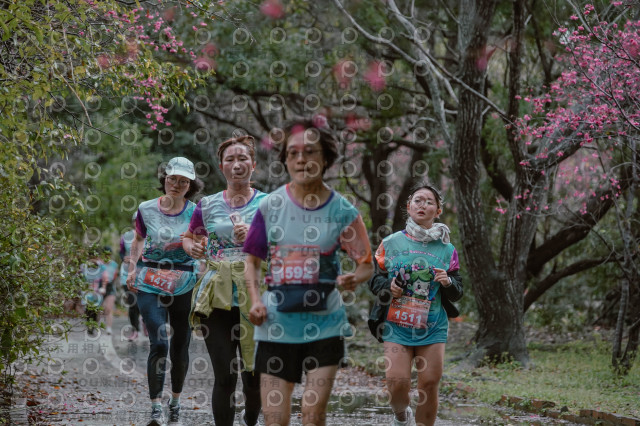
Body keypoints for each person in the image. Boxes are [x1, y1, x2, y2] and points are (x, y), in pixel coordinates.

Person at [243, 120, 374, 426]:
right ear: (286, 160)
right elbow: (252, 261)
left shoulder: (342, 211)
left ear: (326, 158)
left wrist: (354, 278)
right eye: (293, 153)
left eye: (310, 152)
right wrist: (255, 301)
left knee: (313, 417)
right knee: (275, 420)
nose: (301, 159)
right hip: (276, 325)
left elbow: (366, 263)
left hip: (325, 325)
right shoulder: (270, 206)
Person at [182, 135, 266, 426]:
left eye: (243, 158)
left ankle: (251, 418)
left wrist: (254, 237)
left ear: (253, 165)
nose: (236, 164)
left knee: (253, 376)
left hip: (256, 294)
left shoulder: (270, 204)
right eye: (230, 159)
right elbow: (189, 237)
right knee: (225, 375)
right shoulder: (207, 205)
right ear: (222, 167)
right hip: (216, 294)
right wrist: (192, 248)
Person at [369, 182, 463, 426]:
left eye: (429, 202)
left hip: (432, 327)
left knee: (429, 383)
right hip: (396, 325)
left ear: (438, 211)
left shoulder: (447, 249)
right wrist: (388, 286)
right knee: (397, 383)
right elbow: (374, 280)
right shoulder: (390, 243)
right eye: (418, 200)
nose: (423, 205)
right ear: (409, 206)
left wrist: (448, 282)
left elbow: (458, 290)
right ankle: (402, 417)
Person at [126, 156, 203, 426]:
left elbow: (202, 243)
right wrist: (132, 268)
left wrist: (201, 260)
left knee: (181, 344)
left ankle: (176, 402)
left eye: (183, 181)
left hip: (184, 281)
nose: (177, 184)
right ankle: (156, 407)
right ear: (164, 179)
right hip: (150, 280)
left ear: (190, 185)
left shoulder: (196, 212)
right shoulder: (146, 209)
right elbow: (138, 240)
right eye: (172, 179)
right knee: (159, 342)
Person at [119, 212, 145, 340]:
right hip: (127, 274)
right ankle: (135, 330)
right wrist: (124, 258)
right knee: (132, 303)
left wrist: (135, 258)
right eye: (135, 220)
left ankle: (145, 322)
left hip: (145, 274)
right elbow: (121, 252)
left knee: (145, 302)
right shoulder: (126, 236)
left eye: (139, 220)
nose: (137, 223)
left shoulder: (150, 235)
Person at [99, 246, 119, 335]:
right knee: (98, 308)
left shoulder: (114, 264)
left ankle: (109, 328)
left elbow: (115, 275)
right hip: (99, 286)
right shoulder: (99, 264)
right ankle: (97, 325)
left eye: (109, 255)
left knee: (108, 308)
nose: (107, 256)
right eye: (105, 254)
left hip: (110, 286)